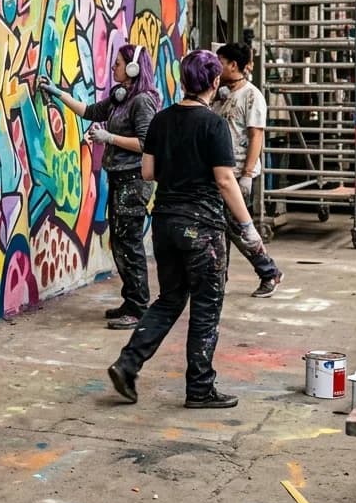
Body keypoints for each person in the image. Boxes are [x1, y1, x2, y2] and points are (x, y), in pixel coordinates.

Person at [106, 49, 265, 410]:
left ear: (182, 80)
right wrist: (248, 229)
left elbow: (147, 172)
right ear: (214, 83)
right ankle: (200, 388)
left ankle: (128, 363)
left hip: (164, 224)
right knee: (207, 306)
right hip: (203, 229)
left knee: (170, 299)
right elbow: (225, 181)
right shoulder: (214, 125)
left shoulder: (162, 120)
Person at [38, 44, 160, 329]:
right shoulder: (120, 98)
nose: (113, 67)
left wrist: (109, 138)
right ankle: (131, 301)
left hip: (133, 182)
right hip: (118, 179)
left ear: (133, 69)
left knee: (128, 244)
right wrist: (59, 94)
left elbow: (146, 144)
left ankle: (139, 307)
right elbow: (90, 110)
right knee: (119, 242)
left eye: (118, 63)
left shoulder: (142, 101)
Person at [212, 43, 283, 298]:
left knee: (239, 229)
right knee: (220, 229)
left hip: (238, 173)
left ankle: (269, 271)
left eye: (221, 62)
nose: (217, 67)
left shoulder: (252, 96)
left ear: (234, 65)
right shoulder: (221, 94)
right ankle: (219, 279)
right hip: (220, 172)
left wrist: (247, 174)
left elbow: (256, 137)